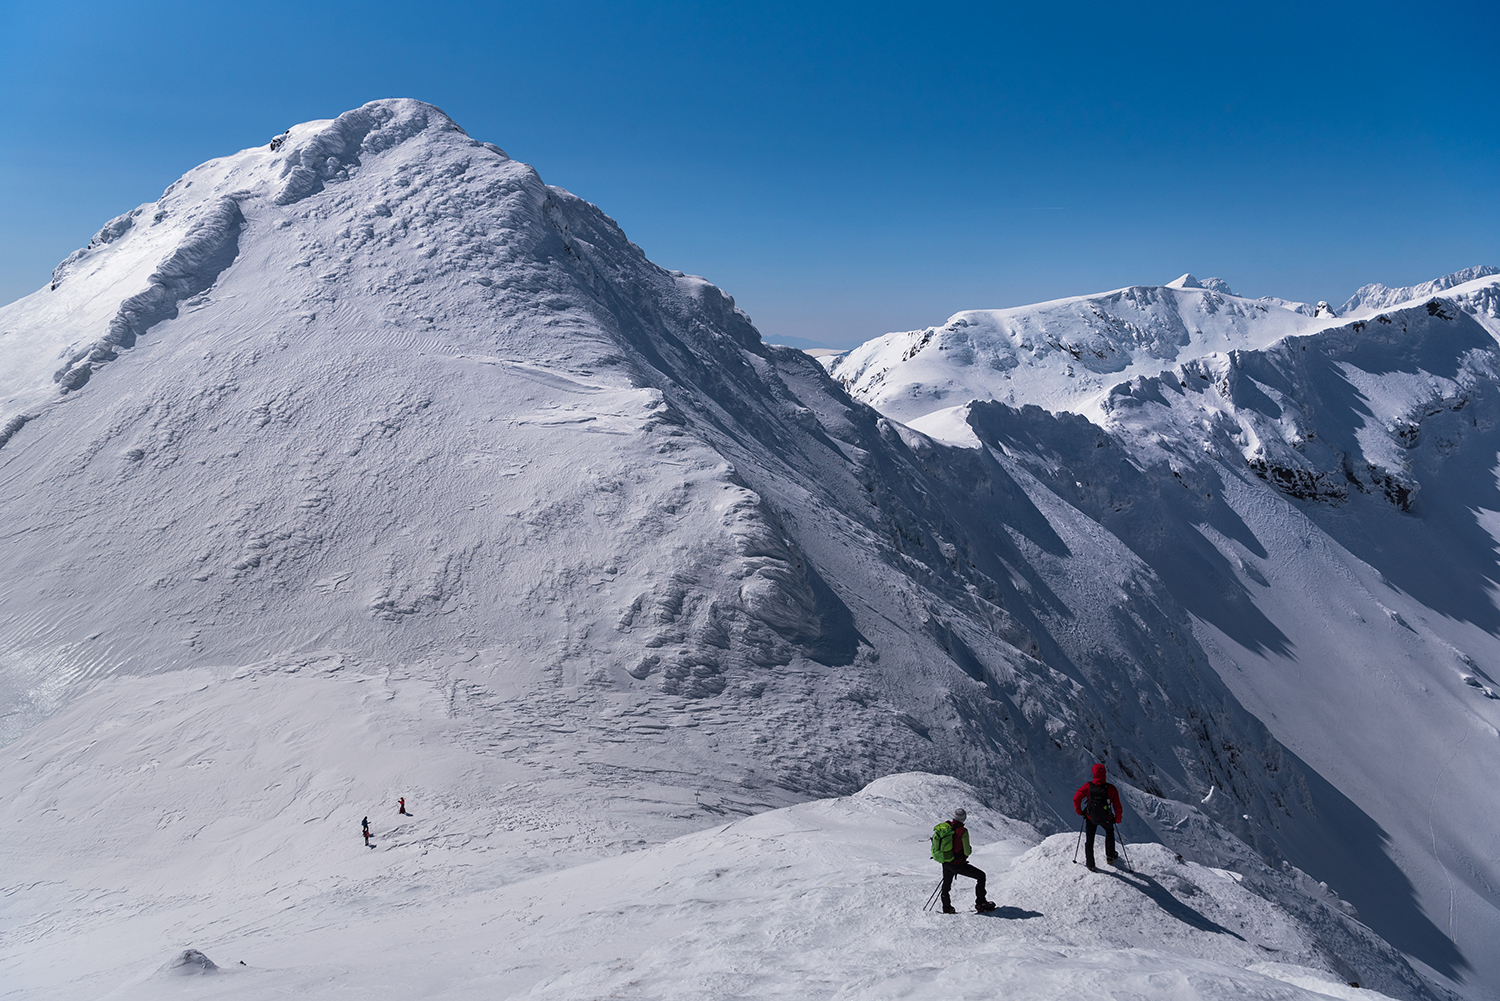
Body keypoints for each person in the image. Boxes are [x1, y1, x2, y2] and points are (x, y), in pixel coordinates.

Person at [931, 808, 996, 913]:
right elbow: (967, 851)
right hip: (958, 864)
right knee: (981, 876)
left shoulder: (946, 827)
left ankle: (947, 908)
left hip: (946, 862)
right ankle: (981, 903)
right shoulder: (963, 831)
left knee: (946, 886)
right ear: (964, 818)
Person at [1073, 763, 1123, 870]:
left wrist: (1080, 812)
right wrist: (1117, 819)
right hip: (1107, 818)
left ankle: (1090, 864)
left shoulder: (1088, 786)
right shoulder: (1111, 789)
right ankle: (1110, 856)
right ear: (1105, 774)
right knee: (1109, 833)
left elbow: (1076, 799)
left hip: (1091, 818)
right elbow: (1117, 806)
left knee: (1090, 839)